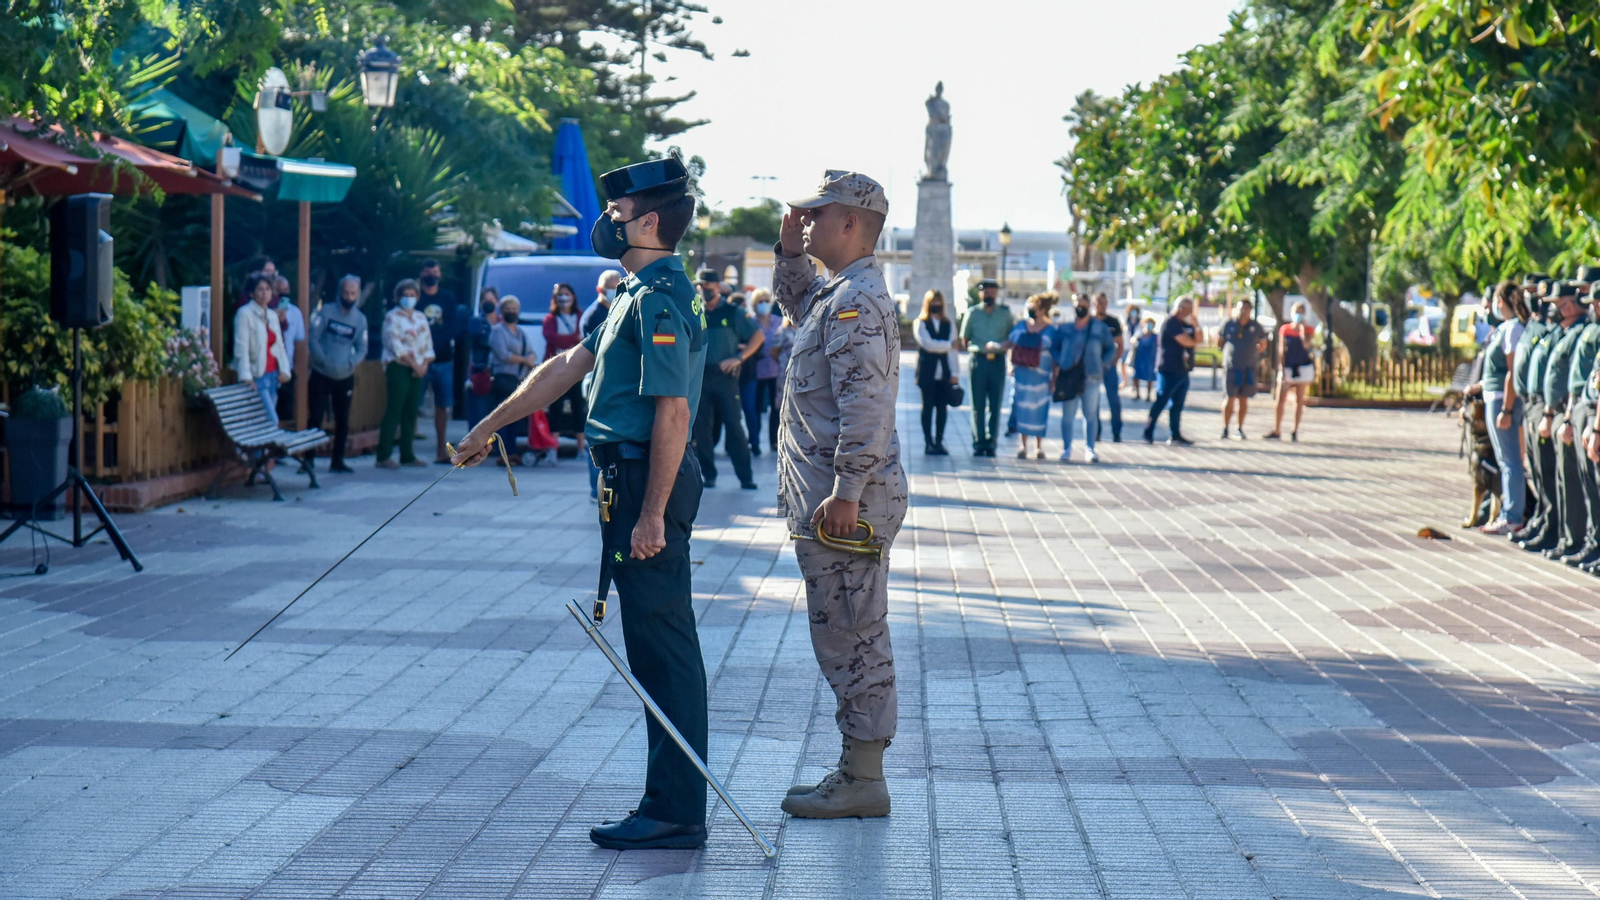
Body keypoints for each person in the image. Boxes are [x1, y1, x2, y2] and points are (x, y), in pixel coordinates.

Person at [452, 155, 709, 850]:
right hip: (624, 479)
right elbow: (567, 365)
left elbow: (674, 411)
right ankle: (671, 800)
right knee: (654, 648)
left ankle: (678, 808)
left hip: (643, 481)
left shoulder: (658, 297)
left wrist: (652, 512)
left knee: (664, 650)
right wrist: (490, 426)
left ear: (649, 221)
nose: (609, 222)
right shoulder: (633, 289)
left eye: (619, 214)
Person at [772, 169, 905, 819]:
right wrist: (790, 254)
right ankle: (856, 771)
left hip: (842, 506)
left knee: (854, 635)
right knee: (841, 634)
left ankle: (863, 778)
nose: (807, 220)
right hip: (829, 501)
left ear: (850, 222)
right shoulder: (837, 296)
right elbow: (800, 311)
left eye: (818, 214)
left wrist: (849, 490)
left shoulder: (859, 301)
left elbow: (867, 406)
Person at [1536, 280, 1592, 560]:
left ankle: (1580, 540)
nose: (1561, 306)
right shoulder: (1566, 330)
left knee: (1580, 481)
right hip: (1568, 410)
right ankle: (1567, 536)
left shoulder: (1587, 330)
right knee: (1565, 478)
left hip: (1578, 410)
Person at [692, 268, 762, 489]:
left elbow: (757, 336)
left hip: (725, 377)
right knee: (701, 428)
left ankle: (745, 476)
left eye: (708, 286)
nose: (704, 290)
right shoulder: (694, 312)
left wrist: (739, 358)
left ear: (719, 286)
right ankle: (708, 474)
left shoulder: (732, 312)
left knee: (734, 427)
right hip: (700, 377)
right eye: (700, 286)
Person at [306, 274, 368, 473]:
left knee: (343, 420)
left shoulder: (360, 320)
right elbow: (313, 338)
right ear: (340, 292)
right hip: (321, 374)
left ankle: (337, 460)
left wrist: (351, 363)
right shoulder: (325, 312)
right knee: (315, 418)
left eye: (353, 293)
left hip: (344, 376)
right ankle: (308, 460)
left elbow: (362, 348)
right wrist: (321, 359)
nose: (349, 297)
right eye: (346, 292)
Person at [1512, 277, 1557, 548]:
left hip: (1546, 405)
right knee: (1538, 470)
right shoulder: (1532, 326)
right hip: (1530, 403)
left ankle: (1555, 529)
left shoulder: (1546, 329)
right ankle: (1543, 519)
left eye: (1534, 293)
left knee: (1551, 473)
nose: (1530, 299)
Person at [1560, 281, 1600, 566]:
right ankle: (1592, 542)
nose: (1593, 307)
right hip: (1587, 410)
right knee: (1589, 485)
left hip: (1594, 415)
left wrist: (1596, 428)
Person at [375, 279, 433, 468]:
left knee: (411, 410)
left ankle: (407, 453)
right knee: (395, 408)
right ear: (398, 296)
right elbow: (395, 345)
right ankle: (384, 455)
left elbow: (427, 344)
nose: (409, 298)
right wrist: (414, 365)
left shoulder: (420, 317)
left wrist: (423, 364)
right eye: (405, 295)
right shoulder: (392, 317)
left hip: (418, 367)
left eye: (412, 295)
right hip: (398, 366)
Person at [1051, 294, 1115, 462]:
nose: (1081, 308)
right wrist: (1061, 361)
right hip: (1069, 376)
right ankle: (1066, 449)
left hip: (1091, 376)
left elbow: (1111, 348)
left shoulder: (1099, 328)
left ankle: (1090, 448)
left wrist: (1103, 363)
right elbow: (1054, 347)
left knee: (1091, 414)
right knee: (1068, 415)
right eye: (1078, 305)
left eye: (1084, 305)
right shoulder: (1065, 329)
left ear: (1089, 307)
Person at [959, 278, 1014, 456]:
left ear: (996, 293)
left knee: (996, 404)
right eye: (986, 291)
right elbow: (964, 338)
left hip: (997, 362)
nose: (989, 294)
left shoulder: (1005, 314)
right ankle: (979, 441)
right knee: (978, 403)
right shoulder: (973, 313)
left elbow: (1011, 338)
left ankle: (991, 442)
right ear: (980, 293)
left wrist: (1001, 346)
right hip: (978, 361)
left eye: (992, 291)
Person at [417, 258, 464, 464]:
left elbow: (453, 326)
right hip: (418, 360)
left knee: (443, 406)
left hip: (443, 359)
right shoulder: (416, 297)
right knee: (411, 405)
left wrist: (436, 341)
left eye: (435, 271)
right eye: (428, 271)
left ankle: (440, 450)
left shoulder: (447, 298)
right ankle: (406, 452)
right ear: (421, 274)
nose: (432, 275)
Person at [232, 271, 291, 421]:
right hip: (257, 375)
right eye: (260, 289)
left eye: (268, 289)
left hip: (273, 375)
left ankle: (261, 446)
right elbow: (241, 347)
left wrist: (285, 369)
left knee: (261, 423)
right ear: (252, 293)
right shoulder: (244, 314)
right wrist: (246, 376)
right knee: (272, 420)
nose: (264, 293)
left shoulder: (272, 315)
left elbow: (279, 346)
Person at [1144, 296, 1199, 445]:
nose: (1191, 312)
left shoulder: (1186, 324)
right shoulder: (1171, 322)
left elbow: (1198, 340)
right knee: (1162, 400)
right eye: (1189, 309)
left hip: (1183, 370)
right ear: (1182, 309)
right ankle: (1148, 430)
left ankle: (1175, 434)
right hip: (1168, 369)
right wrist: (1193, 342)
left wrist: (1197, 325)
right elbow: (1186, 341)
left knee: (1178, 404)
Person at [1008, 292, 1057, 459]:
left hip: (1042, 376)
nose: (1030, 310)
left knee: (1040, 409)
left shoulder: (1051, 329)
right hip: (1023, 374)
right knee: (1022, 408)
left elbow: (1053, 354)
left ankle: (1038, 446)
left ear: (1042, 310)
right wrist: (1010, 364)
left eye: (1033, 308)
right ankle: (1022, 445)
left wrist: (1055, 377)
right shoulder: (1021, 325)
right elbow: (1012, 344)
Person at [488, 295, 536, 461]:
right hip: (503, 378)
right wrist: (524, 360)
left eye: (514, 309)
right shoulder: (497, 331)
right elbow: (503, 355)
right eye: (508, 309)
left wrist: (530, 359)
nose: (511, 312)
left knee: (514, 417)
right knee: (502, 416)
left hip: (519, 379)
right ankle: (500, 451)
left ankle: (511, 450)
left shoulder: (521, 332)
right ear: (502, 311)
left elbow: (531, 351)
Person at [543, 282, 588, 456]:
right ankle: (552, 449)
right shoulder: (550, 319)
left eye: (567, 294)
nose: (563, 297)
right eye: (560, 294)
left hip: (577, 370)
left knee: (579, 407)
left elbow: (583, 339)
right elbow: (552, 339)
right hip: (556, 370)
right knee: (556, 408)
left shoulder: (581, 316)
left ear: (573, 297)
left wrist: (572, 340)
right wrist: (572, 339)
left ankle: (581, 448)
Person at [1265, 301, 1317, 441]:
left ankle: (1295, 430)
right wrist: (1281, 369)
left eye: (1301, 312)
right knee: (1280, 398)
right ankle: (1277, 429)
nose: (1298, 315)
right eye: (1296, 312)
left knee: (1300, 399)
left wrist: (1302, 331)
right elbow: (1281, 350)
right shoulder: (1285, 329)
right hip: (1288, 366)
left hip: (1303, 366)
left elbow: (1306, 345)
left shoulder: (1309, 330)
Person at [915, 289, 958, 455]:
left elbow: (954, 352)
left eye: (938, 302)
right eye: (933, 302)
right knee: (927, 408)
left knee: (942, 409)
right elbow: (928, 344)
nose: (936, 305)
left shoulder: (949, 323)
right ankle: (928, 442)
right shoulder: (920, 323)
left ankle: (939, 442)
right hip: (927, 373)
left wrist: (955, 373)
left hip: (945, 374)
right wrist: (947, 345)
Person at [1219, 299, 1269, 439]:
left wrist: (1253, 352)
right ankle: (1225, 427)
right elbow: (1220, 341)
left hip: (1248, 367)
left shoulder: (1255, 326)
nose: (1243, 311)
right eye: (1241, 308)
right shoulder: (1229, 324)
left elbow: (1263, 343)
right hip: (1231, 366)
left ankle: (1239, 427)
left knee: (1243, 398)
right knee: (1230, 397)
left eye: (1246, 308)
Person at [749, 288, 786, 454]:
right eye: (760, 301)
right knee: (754, 408)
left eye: (766, 300)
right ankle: (754, 441)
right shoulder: (750, 322)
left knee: (775, 408)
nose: (763, 304)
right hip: (755, 372)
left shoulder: (779, 322)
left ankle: (774, 441)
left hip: (775, 371)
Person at [271, 275, 305, 423]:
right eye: (280, 290)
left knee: (285, 414)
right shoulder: (267, 311)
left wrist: (298, 368)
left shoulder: (295, 312)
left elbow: (299, 341)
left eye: (286, 289)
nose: (284, 292)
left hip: (287, 368)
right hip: (269, 368)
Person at [464, 288, 500, 429]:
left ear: (497, 302)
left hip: (501, 374)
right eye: (485, 300)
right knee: (479, 414)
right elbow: (480, 343)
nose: (489, 303)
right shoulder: (475, 322)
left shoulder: (504, 322)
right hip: (481, 372)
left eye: (492, 300)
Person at [1094, 293, 1126, 443]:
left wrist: (1115, 361)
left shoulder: (1113, 322)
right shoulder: (1090, 322)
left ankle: (1116, 431)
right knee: (1093, 400)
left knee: (1113, 400)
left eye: (1105, 303)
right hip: (1093, 367)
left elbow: (1120, 344)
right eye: (1100, 303)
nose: (1103, 305)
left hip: (1109, 367)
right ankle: (1095, 431)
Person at [583, 269, 622, 338]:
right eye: (610, 288)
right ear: (599, 290)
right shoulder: (593, 316)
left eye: (617, 288)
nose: (615, 292)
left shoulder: (620, 310)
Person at [1131, 318, 1158, 399]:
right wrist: (1135, 339)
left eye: (1151, 324)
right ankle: (1137, 393)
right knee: (1136, 376)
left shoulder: (1155, 337)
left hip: (1150, 359)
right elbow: (1132, 341)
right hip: (1139, 358)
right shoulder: (1140, 334)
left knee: (1149, 378)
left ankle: (1148, 395)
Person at [1121, 303, 1142, 387]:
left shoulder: (1140, 322)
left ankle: (1134, 384)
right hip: (1125, 346)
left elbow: (1140, 332)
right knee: (1122, 363)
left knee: (1133, 366)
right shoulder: (1125, 321)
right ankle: (1125, 381)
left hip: (1135, 347)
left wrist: (1136, 337)